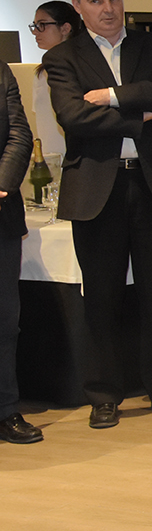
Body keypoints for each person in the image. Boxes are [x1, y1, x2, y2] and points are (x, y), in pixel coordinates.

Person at [43, 0, 152, 428]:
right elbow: (73, 117)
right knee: (102, 296)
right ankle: (104, 394)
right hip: (97, 187)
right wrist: (138, 115)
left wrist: (111, 96)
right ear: (77, 5)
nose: (108, 9)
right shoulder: (62, 57)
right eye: (95, 1)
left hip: (151, 181)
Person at [0, 62, 41, 444]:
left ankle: (7, 410)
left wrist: (2, 184)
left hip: (0, 214)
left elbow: (19, 134)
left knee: (4, 320)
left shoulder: (0, 71)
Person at [29, 0, 80, 169]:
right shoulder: (41, 72)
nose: (36, 32)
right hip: (50, 161)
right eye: (35, 25)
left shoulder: (80, 68)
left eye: (42, 25)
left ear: (65, 28)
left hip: (76, 161)